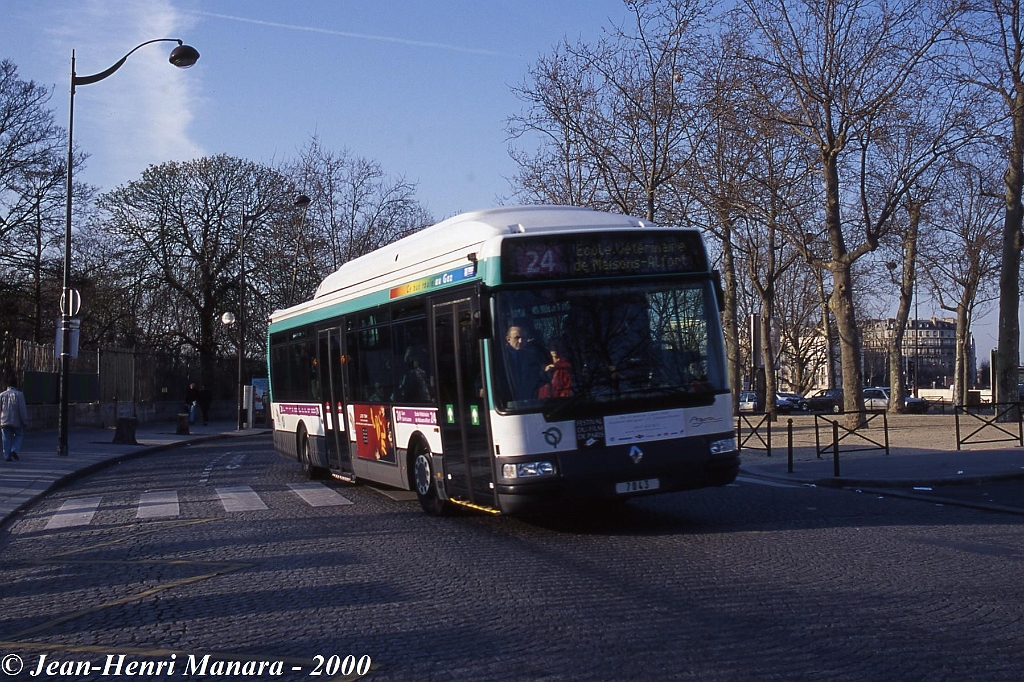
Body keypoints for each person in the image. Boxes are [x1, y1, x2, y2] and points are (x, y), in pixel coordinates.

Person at [504, 325, 546, 402]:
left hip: (528, 400)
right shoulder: (500, 356)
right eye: (517, 338)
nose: (520, 341)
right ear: (508, 339)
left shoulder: (531, 356)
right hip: (507, 401)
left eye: (523, 338)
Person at [1, 375, 29, 462]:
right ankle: (14, 450)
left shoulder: (1, 395)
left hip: (4, 420)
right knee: (19, 434)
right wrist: (24, 421)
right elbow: (22, 409)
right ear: (16, 384)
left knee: (6, 438)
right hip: (16, 421)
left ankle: (7, 456)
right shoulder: (19, 395)